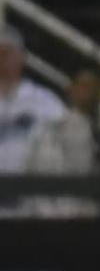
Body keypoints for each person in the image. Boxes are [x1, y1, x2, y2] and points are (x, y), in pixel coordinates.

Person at [25, 63, 100, 218]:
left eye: (94, 87)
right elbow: (35, 180)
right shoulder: (48, 134)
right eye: (83, 85)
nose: (89, 92)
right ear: (70, 90)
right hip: (57, 220)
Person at [0, 24, 65, 217]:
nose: (1, 59)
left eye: (7, 53)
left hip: (31, 204)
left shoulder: (45, 101)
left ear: (21, 57)